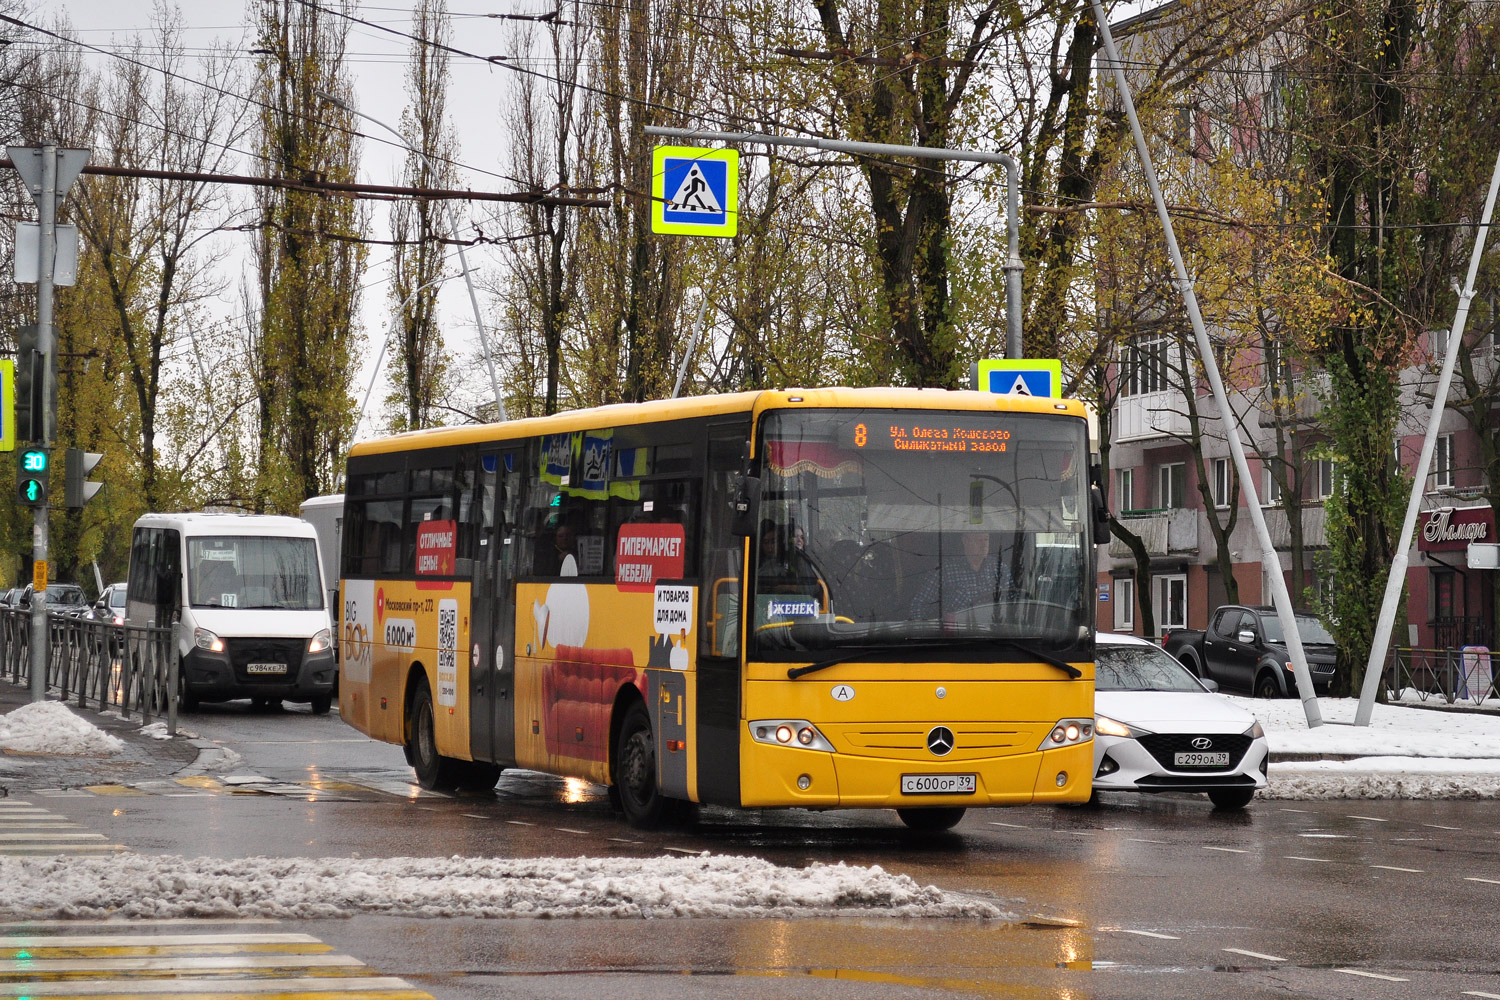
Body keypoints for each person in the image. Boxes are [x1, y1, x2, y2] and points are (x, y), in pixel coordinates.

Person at [908, 531, 1016, 621]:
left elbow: (1015, 601)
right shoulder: (945, 571)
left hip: (996, 633)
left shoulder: (1000, 569)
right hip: (959, 635)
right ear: (965, 541)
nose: (984, 545)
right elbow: (918, 606)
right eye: (979, 540)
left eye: (986, 539)